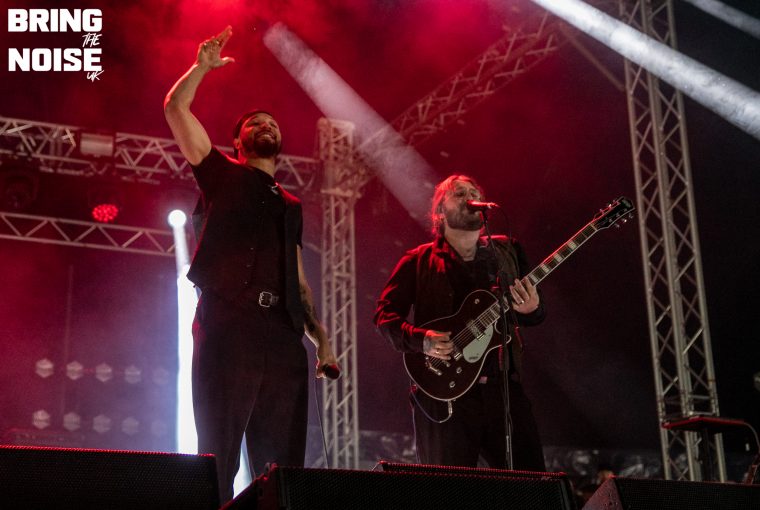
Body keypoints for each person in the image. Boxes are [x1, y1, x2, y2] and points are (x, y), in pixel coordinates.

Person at [163, 26, 337, 503]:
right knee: (217, 453)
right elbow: (176, 110)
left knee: (282, 466)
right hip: (228, 322)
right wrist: (201, 68)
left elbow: (297, 278)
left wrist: (320, 339)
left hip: (281, 335)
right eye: (255, 122)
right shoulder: (219, 173)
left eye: (272, 123)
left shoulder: (291, 204)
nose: (267, 125)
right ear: (238, 141)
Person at [374, 174, 546, 471]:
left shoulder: (508, 251)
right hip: (442, 394)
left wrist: (532, 308)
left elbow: (535, 314)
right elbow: (384, 317)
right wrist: (422, 340)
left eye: (475, 192)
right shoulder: (418, 260)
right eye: (459, 193)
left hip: (503, 390)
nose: (471, 197)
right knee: (448, 488)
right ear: (439, 211)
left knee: (531, 483)